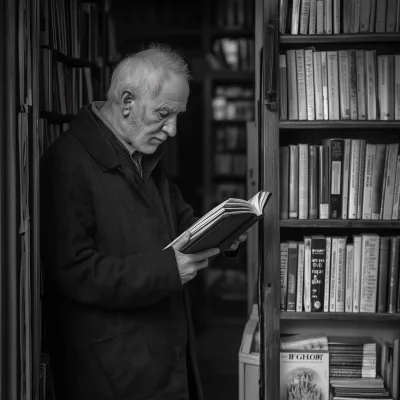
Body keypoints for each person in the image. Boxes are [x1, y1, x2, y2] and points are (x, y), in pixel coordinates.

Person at [40, 43, 247, 400]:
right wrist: (169, 271)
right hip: (114, 368)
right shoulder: (67, 162)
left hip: (161, 352)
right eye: (165, 114)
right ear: (127, 102)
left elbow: (181, 221)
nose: (173, 129)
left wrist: (223, 233)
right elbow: (75, 272)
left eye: (177, 115)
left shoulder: (141, 152)